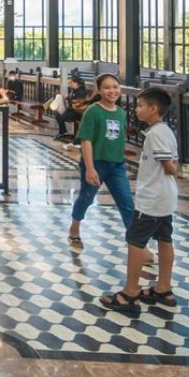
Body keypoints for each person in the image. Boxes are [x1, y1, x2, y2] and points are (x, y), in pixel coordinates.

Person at [101, 88, 179, 314]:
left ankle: (129, 293)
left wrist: (177, 170)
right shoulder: (163, 132)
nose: (137, 110)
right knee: (165, 239)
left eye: (141, 106)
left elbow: (169, 167)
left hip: (153, 199)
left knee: (135, 242)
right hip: (163, 197)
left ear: (154, 109)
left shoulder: (157, 134)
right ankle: (163, 288)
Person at [67, 73, 139, 248]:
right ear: (98, 90)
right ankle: (74, 228)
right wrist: (90, 168)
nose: (112, 90)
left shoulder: (121, 113)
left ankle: (138, 245)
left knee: (126, 203)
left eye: (115, 87)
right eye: (107, 87)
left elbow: (119, 139)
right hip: (96, 163)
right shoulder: (93, 111)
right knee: (86, 197)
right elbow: (86, 140)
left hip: (117, 165)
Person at [55, 74, 93, 140]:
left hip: (78, 112)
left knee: (61, 117)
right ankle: (63, 132)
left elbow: (79, 104)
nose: (70, 84)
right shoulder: (74, 90)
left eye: (72, 83)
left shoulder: (81, 92)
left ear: (76, 83)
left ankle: (63, 132)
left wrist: (68, 98)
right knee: (58, 114)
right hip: (72, 110)